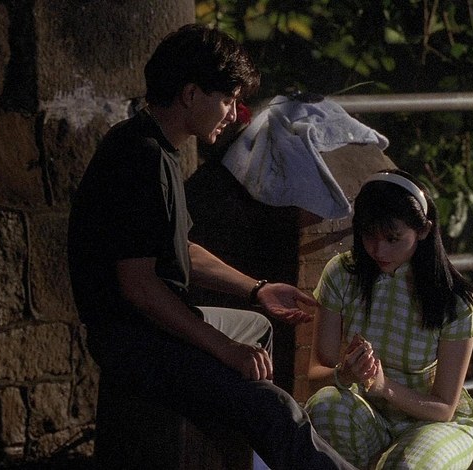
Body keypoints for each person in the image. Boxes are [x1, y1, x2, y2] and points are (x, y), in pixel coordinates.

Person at [67, 23, 356, 470]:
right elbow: (139, 287)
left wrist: (257, 289)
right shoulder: (142, 157)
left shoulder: (156, 146)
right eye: (228, 99)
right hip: (136, 339)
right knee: (276, 408)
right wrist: (225, 349)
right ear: (190, 94)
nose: (235, 114)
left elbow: (178, 248)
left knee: (255, 328)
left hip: (149, 328)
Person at [304, 169, 473, 469]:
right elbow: (315, 376)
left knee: (405, 466)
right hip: (367, 414)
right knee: (325, 406)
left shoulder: (453, 300)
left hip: (430, 421)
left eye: (392, 238)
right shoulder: (343, 273)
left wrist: (384, 386)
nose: (379, 250)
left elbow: (443, 408)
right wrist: (344, 374)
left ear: (423, 231)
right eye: (369, 235)